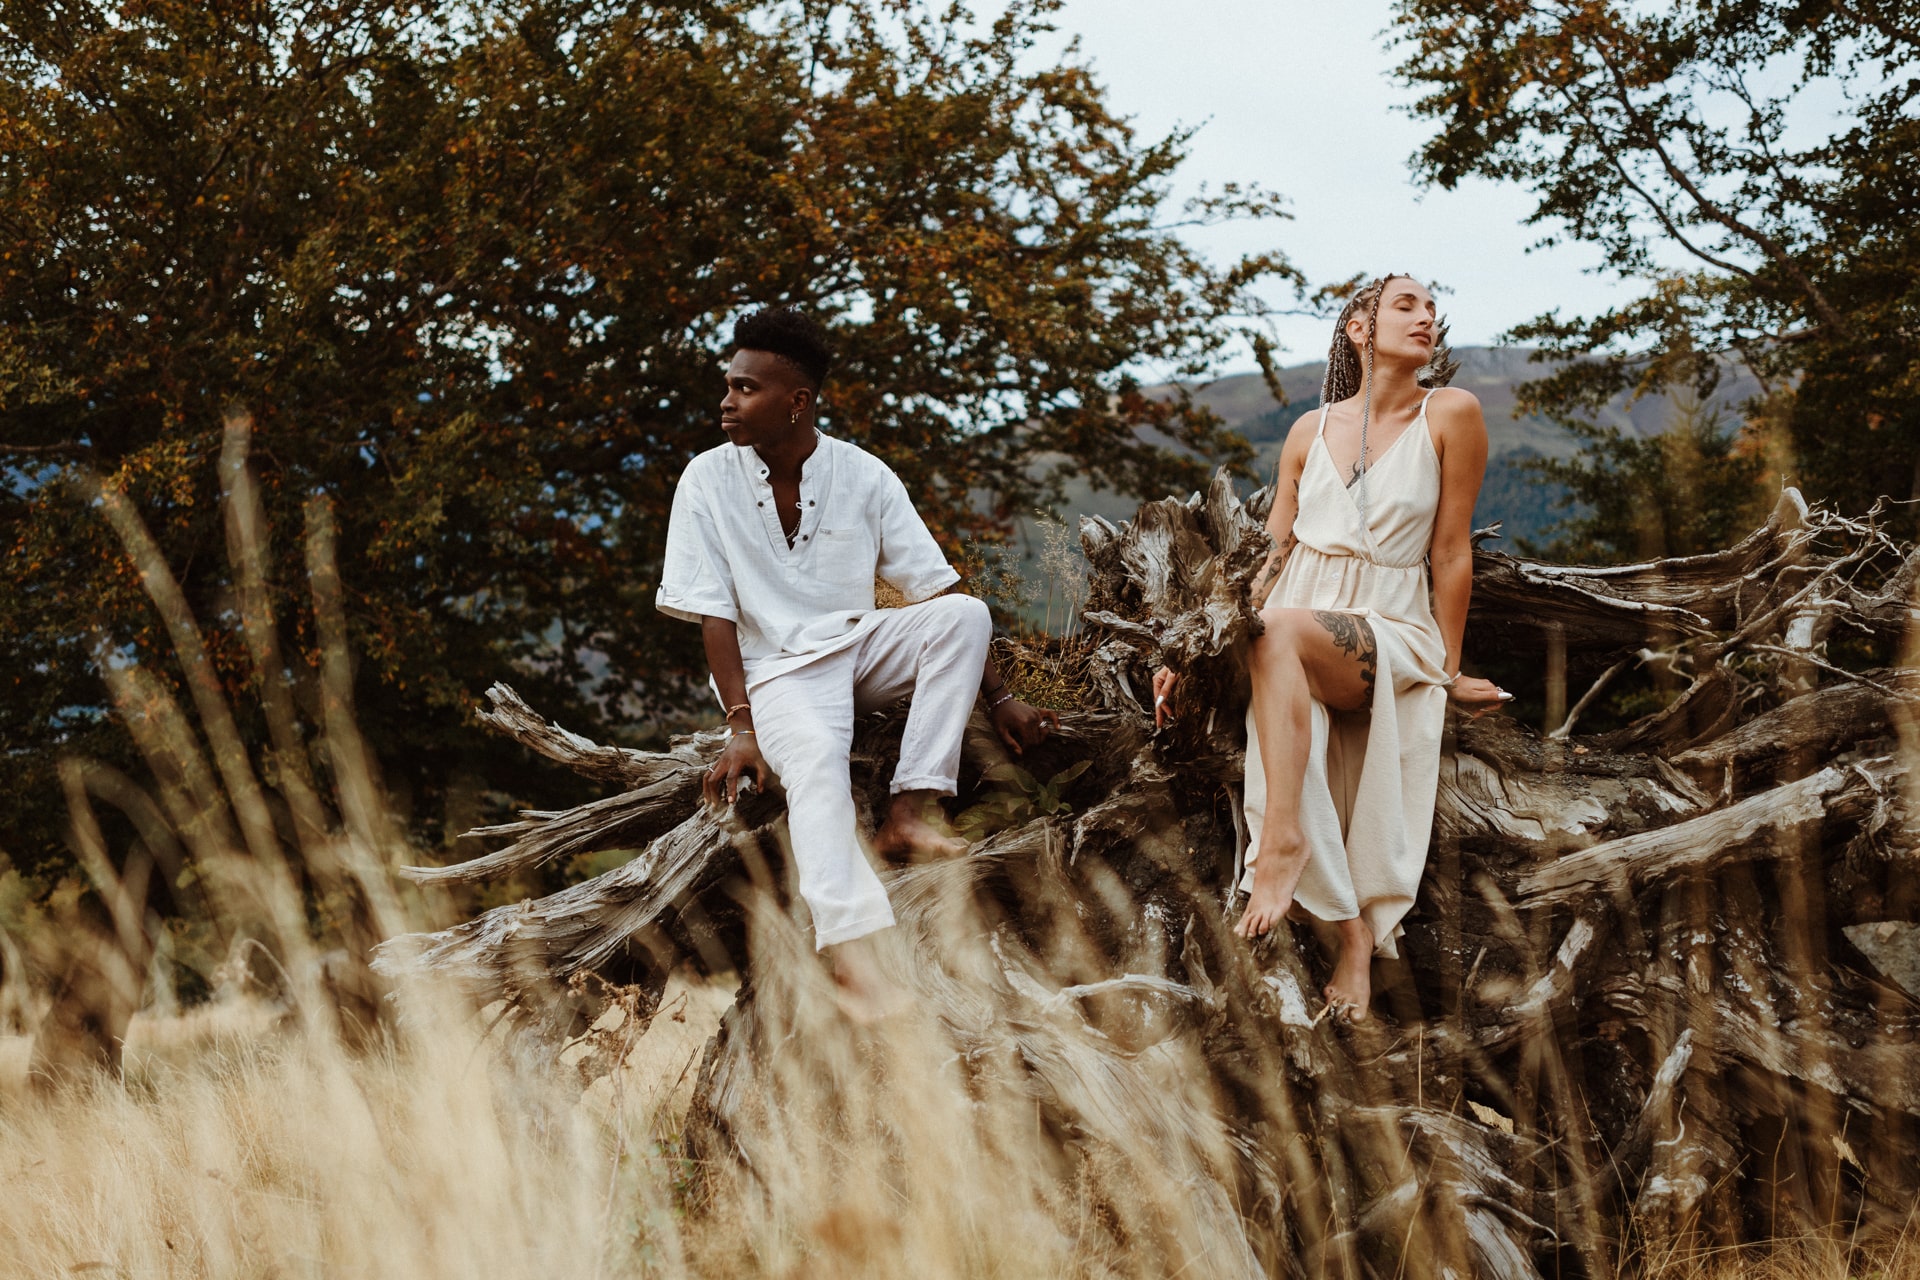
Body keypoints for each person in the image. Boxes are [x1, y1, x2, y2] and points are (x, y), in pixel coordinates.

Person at [657, 305, 1057, 1006]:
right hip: (778, 673)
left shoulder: (864, 475)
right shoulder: (705, 481)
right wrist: (741, 727)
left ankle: (909, 812)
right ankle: (849, 951)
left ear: (798, 402)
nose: (727, 401)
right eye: (728, 385)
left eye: (746, 388)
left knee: (963, 614)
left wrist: (1002, 698)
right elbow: (713, 612)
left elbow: (936, 586)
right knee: (814, 762)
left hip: (859, 644)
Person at [1154, 274, 1508, 1023]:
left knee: (1278, 633)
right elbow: (1271, 558)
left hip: (1388, 624)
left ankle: (1279, 844)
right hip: (1291, 619)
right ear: (1358, 327)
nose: (1425, 319)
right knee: (1276, 658)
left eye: (1433, 310)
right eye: (1405, 305)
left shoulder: (1451, 413)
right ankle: (1351, 933)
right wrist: (1194, 655)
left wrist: (1447, 672)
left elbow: (1449, 553)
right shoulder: (1307, 431)